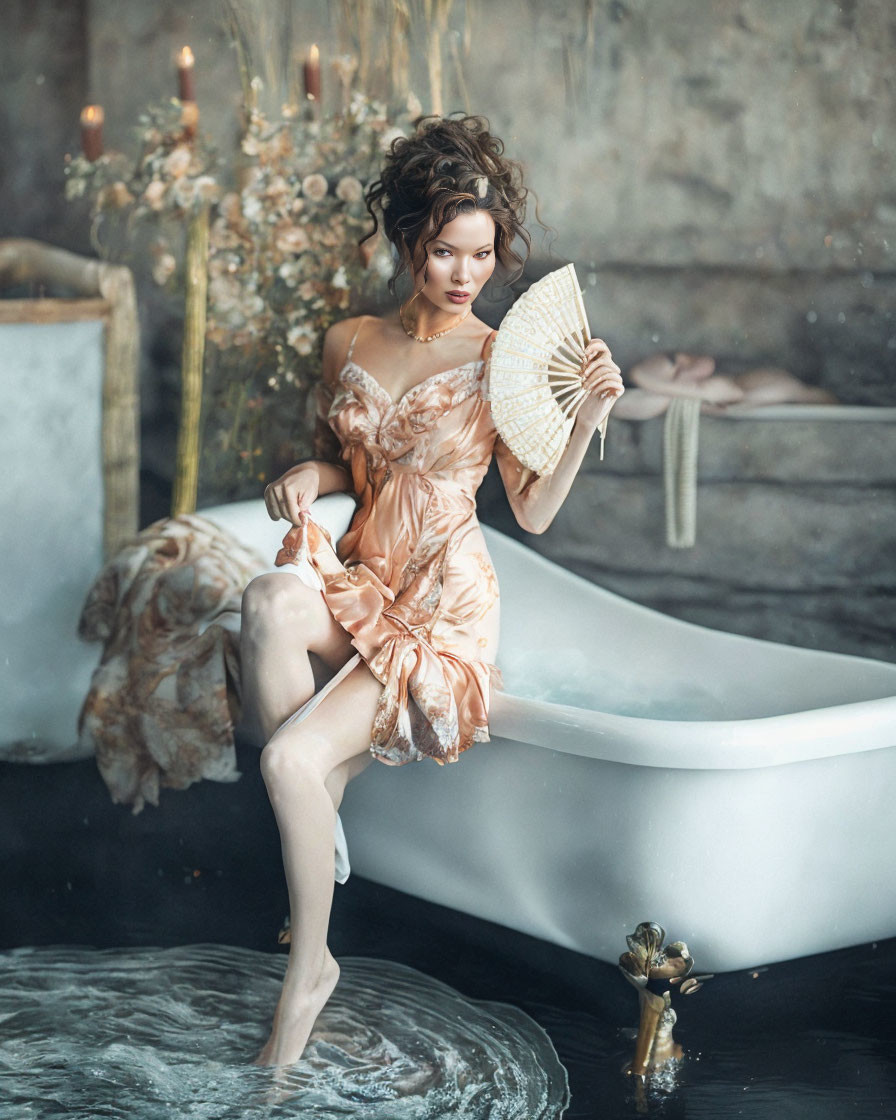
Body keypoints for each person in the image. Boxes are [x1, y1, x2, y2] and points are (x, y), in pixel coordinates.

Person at [240, 114, 624, 1067]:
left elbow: (530, 515)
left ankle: (310, 968)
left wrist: (587, 420)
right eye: (446, 250)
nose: (464, 273)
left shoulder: (502, 361)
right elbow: (351, 463)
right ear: (408, 239)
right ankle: (317, 825)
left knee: (287, 763)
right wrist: (310, 475)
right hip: (368, 574)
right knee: (262, 603)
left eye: (483, 254)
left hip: (442, 603)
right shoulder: (347, 341)